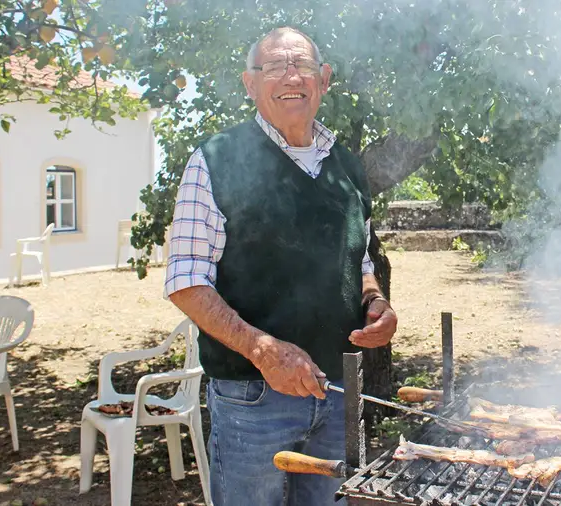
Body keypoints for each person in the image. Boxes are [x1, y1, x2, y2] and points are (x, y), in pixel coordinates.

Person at [163, 26, 398, 506]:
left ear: (324, 79)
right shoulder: (216, 160)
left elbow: (361, 257)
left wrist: (375, 300)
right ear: (250, 83)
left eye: (303, 65)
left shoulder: (348, 167)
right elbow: (185, 279)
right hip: (252, 398)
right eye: (274, 66)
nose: (291, 75)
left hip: (336, 391)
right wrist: (264, 350)